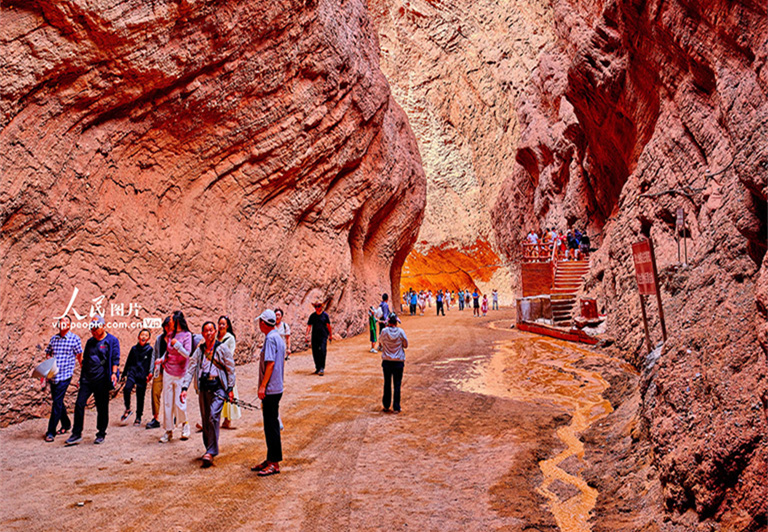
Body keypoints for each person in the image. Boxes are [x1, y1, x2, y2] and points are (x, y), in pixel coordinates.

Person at [181, 321, 236, 468]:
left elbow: (230, 368)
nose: (209, 333)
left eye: (211, 330)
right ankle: (208, 449)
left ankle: (211, 451)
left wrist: (230, 388)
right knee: (206, 420)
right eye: (206, 331)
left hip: (218, 387)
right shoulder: (199, 350)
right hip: (204, 387)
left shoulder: (222, 349)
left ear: (216, 331)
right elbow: (191, 367)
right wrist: (184, 387)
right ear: (203, 334)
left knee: (213, 416)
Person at [66, 316, 120, 446]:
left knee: (102, 407)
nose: (94, 332)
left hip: (102, 380)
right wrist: (81, 377)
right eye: (92, 329)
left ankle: (101, 433)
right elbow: (85, 361)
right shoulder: (90, 342)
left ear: (103, 326)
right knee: (79, 404)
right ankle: (76, 433)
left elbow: (115, 359)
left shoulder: (112, 341)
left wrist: (113, 374)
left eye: (96, 329)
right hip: (87, 379)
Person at [251, 310, 286, 477]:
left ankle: (274, 463)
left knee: (271, 427)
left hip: (271, 389)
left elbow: (270, 364)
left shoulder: (271, 338)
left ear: (264, 323)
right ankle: (270, 458)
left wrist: (263, 386)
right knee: (270, 425)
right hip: (276, 387)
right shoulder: (277, 337)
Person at [43, 316, 83, 442]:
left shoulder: (74, 339)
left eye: (66, 321)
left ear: (70, 325)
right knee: (58, 401)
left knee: (56, 402)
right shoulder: (54, 339)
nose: (63, 323)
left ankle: (51, 432)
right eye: (61, 321)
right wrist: (48, 363)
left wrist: (84, 374)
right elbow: (48, 352)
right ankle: (66, 424)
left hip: (65, 375)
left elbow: (79, 356)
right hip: (53, 375)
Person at [159, 310, 192, 443]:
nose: (169, 321)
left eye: (171, 319)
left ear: (177, 321)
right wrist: (161, 359)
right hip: (168, 371)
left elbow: (187, 354)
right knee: (167, 402)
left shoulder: (187, 335)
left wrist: (177, 345)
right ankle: (168, 430)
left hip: (180, 373)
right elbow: (167, 352)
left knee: (179, 402)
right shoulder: (170, 334)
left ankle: (185, 425)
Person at [121, 329, 153, 426]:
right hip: (132, 373)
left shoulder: (150, 350)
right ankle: (128, 408)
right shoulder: (134, 349)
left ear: (148, 338)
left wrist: (150, 373)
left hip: (142, 375)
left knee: (140, 396)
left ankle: (138, 416)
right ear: (138, 337)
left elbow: (151, 363)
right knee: (127, 389)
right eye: (142, 335)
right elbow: (128, 361)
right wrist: (124, 374)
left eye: (146, 335)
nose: (143, 337)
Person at [378, 313, 408, 413]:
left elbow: (381, 342)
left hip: (387, 361)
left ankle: (386, 405)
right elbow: (405, 344)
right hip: (398, 362)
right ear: (396, 322)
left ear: (388, 322)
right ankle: (396, 407)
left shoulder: (384, 331)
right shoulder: (401, 332)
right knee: (397, 384)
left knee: (387, 383)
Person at [146, 317, 171, 429]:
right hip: (159, 369)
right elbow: (154, 355)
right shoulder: (159, 339)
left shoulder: (175, 339)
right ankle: (155, 418)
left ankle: (173, 416)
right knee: (155, 392)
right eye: (167, 325)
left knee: (172, 394)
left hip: (171, 370)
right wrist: (151, 370)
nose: (168, 327)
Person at [217, 316, 241, 430]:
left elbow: (230, 354)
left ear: (227, 325)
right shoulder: (216, 337)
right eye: (220, 323)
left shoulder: (230, 338)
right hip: (216, 369)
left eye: (223, 324)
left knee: (228, 392)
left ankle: (228, 419)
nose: (221, 326)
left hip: (226, 370)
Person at [306, 301, 332, 376]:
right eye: (316, 306)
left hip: (323, 336)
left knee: (323, 351)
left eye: (319, 306)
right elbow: (309, 326)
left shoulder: (325, 316)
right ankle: (318, 367)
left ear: (321, 307)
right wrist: (307, 335)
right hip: (315, 336)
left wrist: (330, 335)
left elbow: (328, 325)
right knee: (315, 352)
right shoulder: (312, 316)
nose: (317, 308)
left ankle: (322, 368)